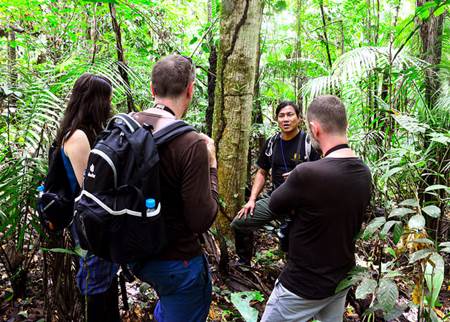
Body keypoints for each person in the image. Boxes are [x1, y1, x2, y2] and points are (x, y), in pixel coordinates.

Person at [260, 95, 372, 322]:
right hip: (340, 279)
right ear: (345, 125)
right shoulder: (364, 172)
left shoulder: (307, 173)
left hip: (302, 284)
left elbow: (274, 204)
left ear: (314, 128)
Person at [129, 55, 218, 322]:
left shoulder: (126, 126)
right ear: (190, 90)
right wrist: (211, 165)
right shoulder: (190, 143)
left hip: (134, 254)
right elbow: (200, 220)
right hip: (176, 262)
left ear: (153, 90)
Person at [54, 73, 120, 322]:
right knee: (97, 289)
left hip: (93, 225)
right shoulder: (78, 136)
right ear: (96, 101)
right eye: (107, 99)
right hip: (88, 228)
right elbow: (90, 189)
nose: (110, 105)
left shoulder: (82, 132)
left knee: (105, 284)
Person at [231, 101, 320, 265]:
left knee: (296, 243)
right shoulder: (272, 142)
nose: (286, 119)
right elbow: (262, 171)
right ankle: (243, 263)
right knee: (240, 223)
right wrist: (252, 199)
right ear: (276, 119)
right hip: (277, 198)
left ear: (299, 118)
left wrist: (301, 174)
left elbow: (322, 171)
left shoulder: (310, 143)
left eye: (290, 115)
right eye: (281, 116)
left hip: (303, 203)